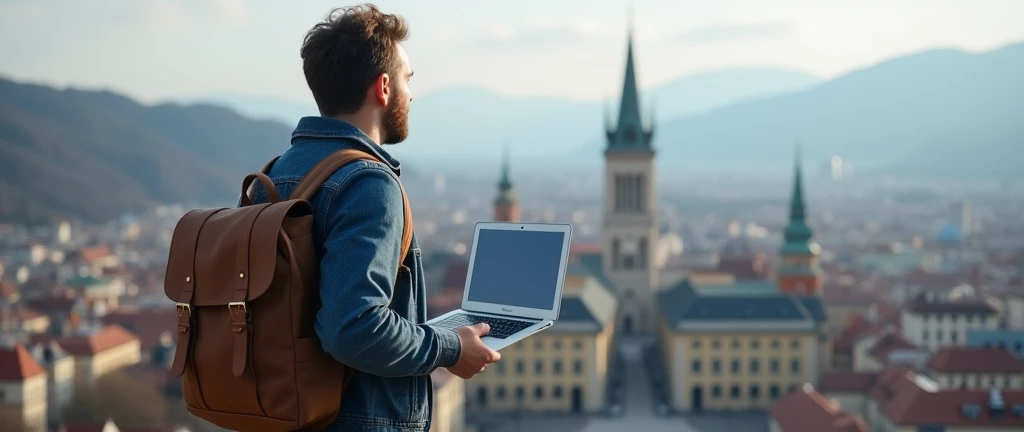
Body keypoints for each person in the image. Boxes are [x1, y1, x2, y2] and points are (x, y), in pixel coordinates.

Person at [250, 4, 499, 431]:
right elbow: (353, 328)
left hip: (283, 413)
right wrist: (450, 349)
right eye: (408, 79)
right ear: (383, 87)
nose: (412, 93)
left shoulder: (272, 176)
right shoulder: (368, 184)